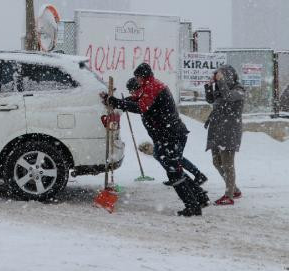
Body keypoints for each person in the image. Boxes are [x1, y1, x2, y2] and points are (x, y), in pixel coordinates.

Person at [100, 63, 209, 216]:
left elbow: (140, 107)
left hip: (170, 135)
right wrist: (115, 101)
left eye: (137, 77)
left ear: (142, 76)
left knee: (173, 171)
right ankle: (200, 197)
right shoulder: (149, 86)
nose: (136, 80)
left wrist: (116, 102)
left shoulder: (152, 87)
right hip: (167, 135)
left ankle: (193, 206)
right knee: (171, 165)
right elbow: (136, 99)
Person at [125, 78, 208, 187]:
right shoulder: (143, 95)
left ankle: (194, 176)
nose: (131, 93)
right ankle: (176, 175)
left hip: (175, 132)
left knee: (174, 158)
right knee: (163, 155)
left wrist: (123, 103)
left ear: (137, 88)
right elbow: (135, 100)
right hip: (166, 133)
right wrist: (123, 101)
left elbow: (139, 106)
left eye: (132, 90)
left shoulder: (149, 96)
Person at [204, 65, 245, 206]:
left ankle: (229, 195)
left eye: (222, 75)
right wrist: (209, 85)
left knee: (228, 165)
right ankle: (235, 189)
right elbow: (210, 100)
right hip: (217, 130)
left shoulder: (238, 90)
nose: (219, 78)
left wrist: (220, 81)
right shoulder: (221, 90)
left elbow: (228, 97)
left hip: (229, 131)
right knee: (217, 162)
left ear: (229, 76)